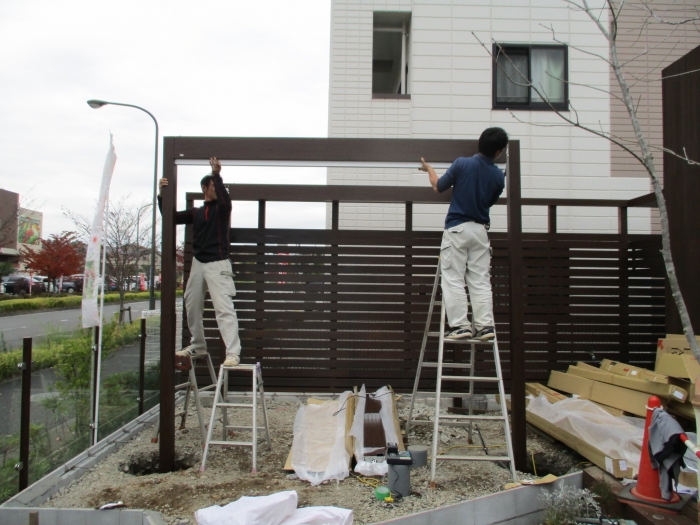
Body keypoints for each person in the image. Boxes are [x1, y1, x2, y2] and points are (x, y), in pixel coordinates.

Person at [419, 127, 508, 341]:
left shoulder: (462, 164)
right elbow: (489, 202)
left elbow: (438, 186)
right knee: (480, 280)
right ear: (498, 152)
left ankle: (460, 325)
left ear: (480, 144)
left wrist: (429, 168)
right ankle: (485, 326)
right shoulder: (498, 176)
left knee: (453, 278)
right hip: (480, 231)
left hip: (457, 228)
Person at [158, 157, 242, 366]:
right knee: (191, 303)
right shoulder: (196, 213)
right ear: (205, 188)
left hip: (218, 264)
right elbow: (171, 217)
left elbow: (225, 201)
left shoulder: (222, 210)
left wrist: (217, 174)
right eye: (214, 186)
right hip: (198, 262)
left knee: (224, 308)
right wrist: (162, 195)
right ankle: (198, 344)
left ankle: (233, 353)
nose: (218, 189)